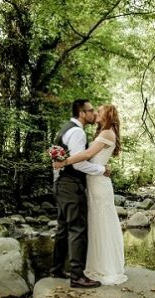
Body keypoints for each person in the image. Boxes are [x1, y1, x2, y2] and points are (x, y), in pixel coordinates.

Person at [54, 104, 127, 285]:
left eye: (100, 111)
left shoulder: (107, 133)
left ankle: (106, 267)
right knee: (94, 224)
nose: (96, 114)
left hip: (99, 184)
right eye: (95, 111)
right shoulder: (103, 133)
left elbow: (87, 154)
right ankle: (93, 266)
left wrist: (64, 162)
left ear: (108, 115)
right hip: (93, 182)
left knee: (102, 222)